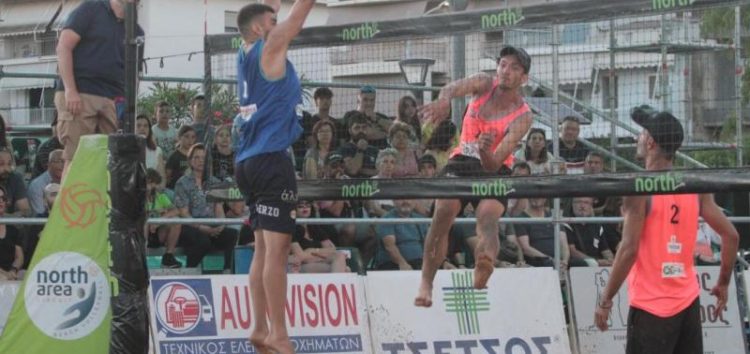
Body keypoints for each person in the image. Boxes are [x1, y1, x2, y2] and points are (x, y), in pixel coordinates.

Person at [594, 107, 739, 354]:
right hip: (688, 305)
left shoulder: (639, 189)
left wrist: (606, 299)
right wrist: (723, 282)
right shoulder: (695, 187)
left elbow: (629, 250)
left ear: (650, 142)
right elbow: (731, 236)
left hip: (651, 309)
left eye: (641, 133)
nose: (637, 138)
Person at [414, 46, 533, 307]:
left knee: (488, 217)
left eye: (514, 67)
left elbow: (493, 164)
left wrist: (486, 149)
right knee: (443, 212)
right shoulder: (483, 82)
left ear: (523, 78)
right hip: (461, 160)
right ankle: (426, 283)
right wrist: (444, 100)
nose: (506, 71)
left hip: (494, 167)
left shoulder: (524, 116)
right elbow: (452, 87)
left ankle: (485, 262)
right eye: (503, 64)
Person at [234, 1, 316, 353]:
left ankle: (259, 327)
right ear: (259, 28)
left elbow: (268, 11)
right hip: (270, 161)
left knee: (263, 250)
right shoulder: (269, 46)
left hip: (247, 163)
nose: (277, 22)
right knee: (277, 255)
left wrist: (271, 7)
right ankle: (280, 336)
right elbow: (298, 17)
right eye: (272, 20)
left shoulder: (244, 51)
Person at [55, 0, 144, 181]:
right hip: (81, 92)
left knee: (111, 160)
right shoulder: (91, 9)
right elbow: (63, 46)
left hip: (115, 98)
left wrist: (129, 105)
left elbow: (135, 73)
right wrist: (70, 90)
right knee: (76, 157)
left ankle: (101, 207)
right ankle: (72, 208)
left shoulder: (137, 31)